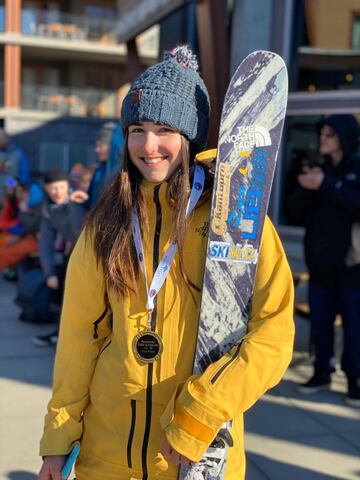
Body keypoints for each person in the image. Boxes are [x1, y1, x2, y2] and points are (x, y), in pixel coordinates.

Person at [38, 46, 294, 480]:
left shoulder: (233, 220)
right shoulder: (106, 223)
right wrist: (57, 442)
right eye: (136, 129)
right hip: (106, 453)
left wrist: (199, 415)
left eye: (164, 129)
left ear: (189, 136)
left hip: (193, 454)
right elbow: (79, 340)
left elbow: (274, 332)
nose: (148, 145)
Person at [288, 114, 360, 407]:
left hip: (352, 269)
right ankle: (321, 372)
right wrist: (305, 187)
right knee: (320, 323)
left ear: (344, 137)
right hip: (319, 267)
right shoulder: (318, 171)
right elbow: (293, 213)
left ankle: (354, 379)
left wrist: (326, 184)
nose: (323, 140)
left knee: (354, 327)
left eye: (329, 135)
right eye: (322, 134)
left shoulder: (355, 170)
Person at [32, 169, 85, 346]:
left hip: (90, 254)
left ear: (68, 185)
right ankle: (61, 335)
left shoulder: (80, 199)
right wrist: (49, 273)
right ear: (46, 189)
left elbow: (79, 228)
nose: (58, 192)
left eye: (61, 187)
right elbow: (45, 243)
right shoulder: (49, 209)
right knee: (63, 295)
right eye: (52, 188)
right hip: (73, 255)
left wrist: (72, 204)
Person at [70, 122, 124, 208]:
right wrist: (82, 201)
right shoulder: (99, 172)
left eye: (100, 146)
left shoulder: (124, 172)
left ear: (113, 146)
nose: (96, 150)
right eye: (96, 146)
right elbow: (93, 203)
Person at [0, 129, 30, 199]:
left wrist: (18, 184)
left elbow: (24, 174)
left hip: (10, 190)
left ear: (7, 138)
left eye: (1, 138)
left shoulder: (18, 153)